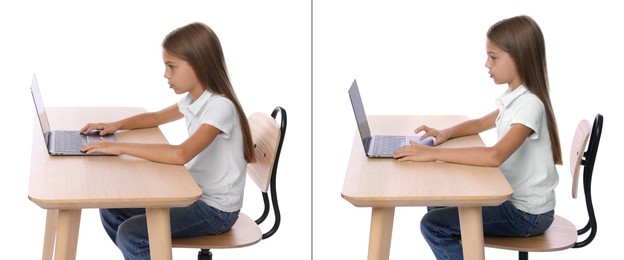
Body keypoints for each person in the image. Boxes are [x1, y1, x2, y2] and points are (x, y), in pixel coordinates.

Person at [79, 22, 254, 260]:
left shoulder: (220, 107)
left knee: (131, 234)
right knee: (112, 210)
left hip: (215, 210)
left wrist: (117, 147)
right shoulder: (194, 99)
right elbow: (155, 117)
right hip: (193, 192)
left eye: (172, 67)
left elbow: (180, 154)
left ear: (199, 65)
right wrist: (115, 126)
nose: (166, 74)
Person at [392, 15, 562, 259]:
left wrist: (431, 153)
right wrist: (445, 133)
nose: (486, 64)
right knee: (437, 205)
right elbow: (481, 123)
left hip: (527, 215)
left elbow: (494, 156)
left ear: (520, 57)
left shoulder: (529, 106)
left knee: (433, 224)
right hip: (513, 201)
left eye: (493, 57)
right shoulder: (515, 98)